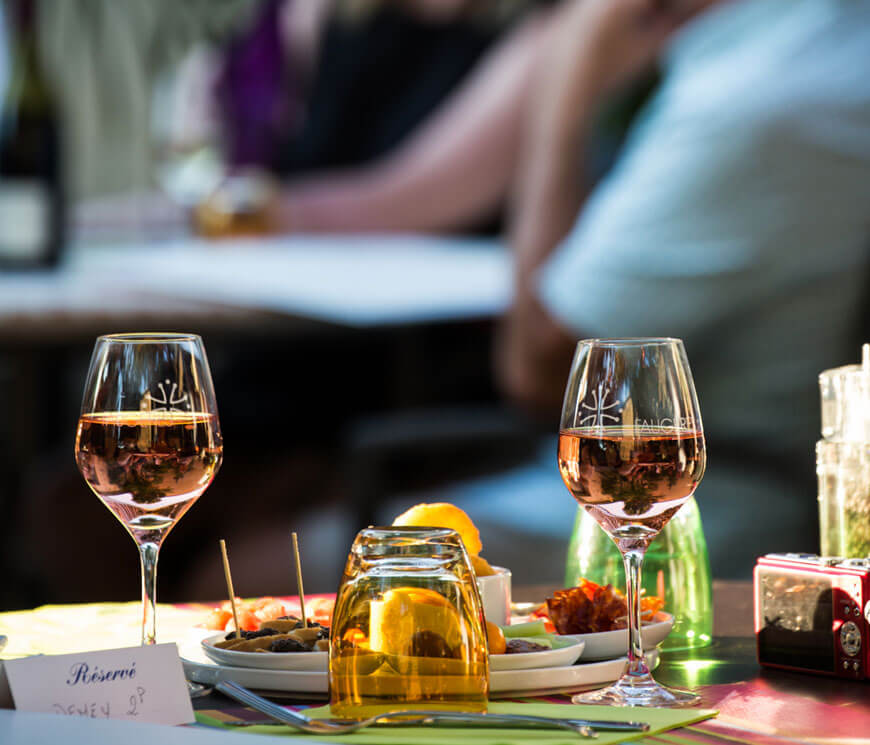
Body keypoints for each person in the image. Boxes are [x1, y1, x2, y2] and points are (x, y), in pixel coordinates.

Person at [487, 0, 870, 577]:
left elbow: (539, 370)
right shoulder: (810, 55)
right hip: (676, 494)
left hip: (687, 524)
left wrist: (568, 78)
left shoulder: (757, 101)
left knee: (334, 559)